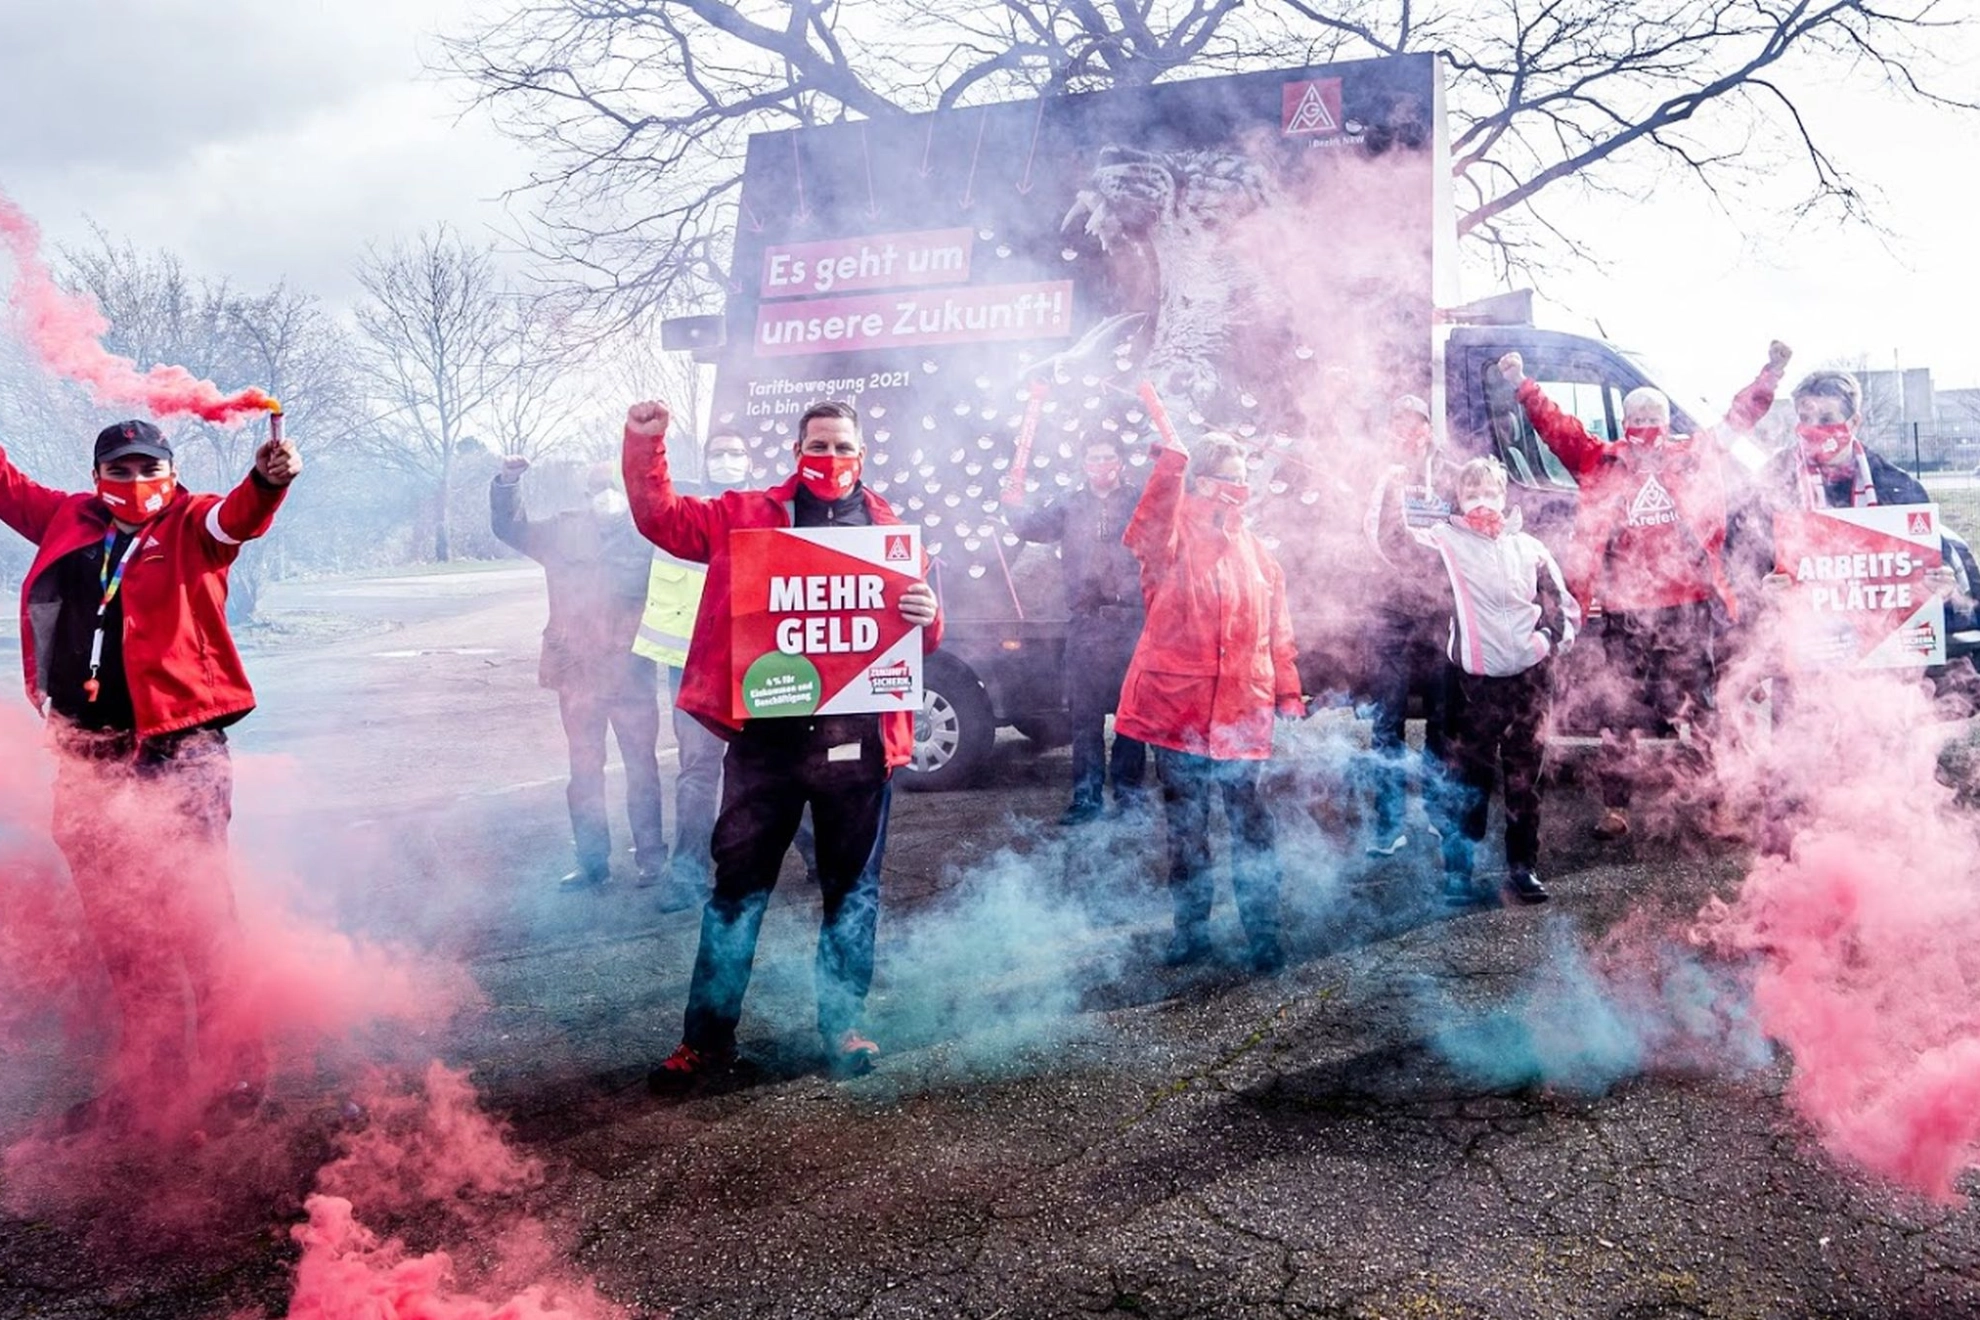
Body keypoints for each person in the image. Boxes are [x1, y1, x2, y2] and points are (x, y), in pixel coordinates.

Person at [625, 399, 943, 1083]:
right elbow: (662, 519)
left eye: (841, 447)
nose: (830, 459)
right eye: (818, 446)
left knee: (852, 893)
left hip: (858, 748)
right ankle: (706, 1043)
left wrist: (929, 614)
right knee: (736, 892)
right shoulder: (747, 515)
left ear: (862, 453)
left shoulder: (892, 532)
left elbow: (924, 633)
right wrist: (647, 443)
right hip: (766, 744)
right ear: (797, 450)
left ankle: (843, 1028)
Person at [0, 417, 300, 1134]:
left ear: (168, 471)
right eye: (121, 470)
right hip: (88, 755)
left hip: (179, 749)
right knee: (122, 928)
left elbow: (241, 519)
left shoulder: (195, 523)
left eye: (147, 469)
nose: (136, 484)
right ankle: (150, 1078)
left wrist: (268, 480)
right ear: (100, 473)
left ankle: (238, 1068)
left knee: (198, 916)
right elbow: (4, 486)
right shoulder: (69, 515)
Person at [1497, 342, 1789, 840]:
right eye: (1639, 416)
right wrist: (1523, 385)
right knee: (1619, 712)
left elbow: (1739, 418)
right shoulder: (1601, 460)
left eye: (1654, 415)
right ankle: (1616, 809)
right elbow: (1556, 426)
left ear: (1666, 420)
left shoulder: (1690, 455)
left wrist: (1772, 373)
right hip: (1622, 609)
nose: (1647, 425)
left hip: (1686, 608)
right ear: (1625, 423)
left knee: (1697, 709)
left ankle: (1717, 805)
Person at [1115, 430, 1304, 973]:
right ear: (1202, 481)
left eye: (1246, 478)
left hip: (1242, 716)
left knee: (1252, 827)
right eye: (1231, 476)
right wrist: (1168, 471)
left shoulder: (1260, 556)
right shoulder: (1170, 539)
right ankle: (1191, 931)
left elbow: (1277, 631)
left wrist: (1287, 692)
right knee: (1188, 829)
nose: (1240, 487)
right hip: (1181, 714)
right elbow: (1146, 527)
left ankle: (1263, 934)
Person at [1383, 457, 1579, 905]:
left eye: (1490, 492)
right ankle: (1458, 872)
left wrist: (1545, 644)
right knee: (1467, 780)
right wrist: (1391, 480)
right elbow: (1391, 542)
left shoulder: (1530, 547)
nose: (1482, 501)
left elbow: (1563, 608)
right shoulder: (1445, 541)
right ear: (1460, 498)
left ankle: (1522, 869)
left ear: (1505, 496)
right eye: (1472, 493)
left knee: (1526, 779)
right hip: (1473, 685)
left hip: (1530, 682)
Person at [491, 456, 665, 890]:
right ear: (585, 497)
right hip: (577, 673)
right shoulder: (561, 533)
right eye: (596, 489)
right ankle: (592, 863)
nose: (605, 496)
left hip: (631, 672)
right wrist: (508, 483)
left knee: (642, 767)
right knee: (584, 770)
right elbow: (510, 528)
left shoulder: (651, 535)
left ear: (630, 493)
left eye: (614, 487)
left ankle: (651, 859)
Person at [1003, 433, 1148, 824]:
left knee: (1130, 717)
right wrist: (1011, 502)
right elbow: (1028, 527)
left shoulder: (1138, 499)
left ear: (1120, 461)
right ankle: (1086, 800)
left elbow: (1170, 521)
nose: (1101, 465)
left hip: (1132, 621)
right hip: (1086, 624)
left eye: (1107, 457)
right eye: (1094, 459)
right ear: (1084, 465)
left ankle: (1130, 799)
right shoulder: (1070, 504)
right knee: (1084, 718)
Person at [1358, 393, 1458, 855]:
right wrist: (1418, 569)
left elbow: (1465, 534)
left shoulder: (1453, 475)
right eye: (1399, 424)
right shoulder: (1375, 474)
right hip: (1389, 613)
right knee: (1388, 721)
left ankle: (1440, 815)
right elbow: (1374, 537)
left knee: (1443, 719)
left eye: (1416, 424)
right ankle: (1389, 823)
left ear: (1430, 430)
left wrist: (1437, 580)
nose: (1409, 432)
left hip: (1438, 614)